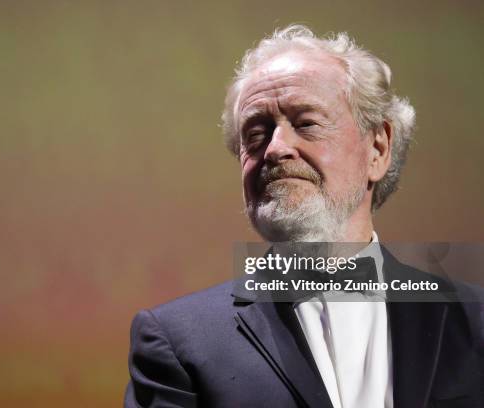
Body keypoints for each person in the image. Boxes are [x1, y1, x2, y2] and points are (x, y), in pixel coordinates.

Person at [124, 24, 484, 407]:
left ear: (377, 149)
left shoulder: (475, 322)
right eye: (256, 134)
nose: (277, 149)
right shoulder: (178, 342)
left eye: (306, 123)